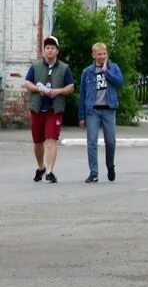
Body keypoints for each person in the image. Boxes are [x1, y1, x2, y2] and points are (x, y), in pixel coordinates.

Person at [23, 35, 74, 184]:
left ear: (57, 51)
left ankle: (50, 171)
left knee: (51, 139)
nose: (50, 50)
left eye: (52, 48)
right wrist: (38, 90)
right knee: (38, 142)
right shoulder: (36, 66)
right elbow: (27, 82)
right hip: (37, 108)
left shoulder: (64, 68)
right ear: (44, 51)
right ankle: (41, 167)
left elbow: (70, 87)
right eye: (47, 48)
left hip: (54, 108)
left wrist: (57, 92)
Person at [78, 42, 125, 183]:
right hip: (93, 110)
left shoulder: (113, 68)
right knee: (92, 141)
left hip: (108, 109)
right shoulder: (88, 72)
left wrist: (106, 72)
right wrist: (81, 116)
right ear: (94, 55)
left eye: (104, 53)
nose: (102, 56)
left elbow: (120, 82)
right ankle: (94, 173)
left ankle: (110, 165)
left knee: (110, 141)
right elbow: (82, 94)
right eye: (99, 54)